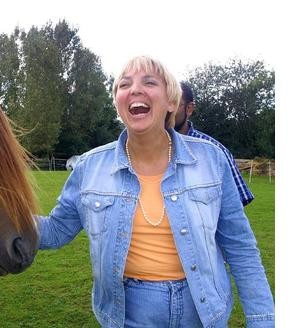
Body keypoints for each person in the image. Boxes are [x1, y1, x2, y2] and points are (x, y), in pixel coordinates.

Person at [36, 56, 274, 327]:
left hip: (204, 312)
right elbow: (55, 231)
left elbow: (240, 247)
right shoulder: (89, 166)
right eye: (124, 85)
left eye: (149, 82)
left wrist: (262, 319)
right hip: (129, 314)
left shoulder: (212, 159)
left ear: (171, 101)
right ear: (118, 103)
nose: (135, 89)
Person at [174, 81, 254, 206]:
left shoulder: (214, 151)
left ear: (189, 109)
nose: (166, 111)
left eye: (174, 104)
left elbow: (236, 205)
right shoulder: (143, 149)